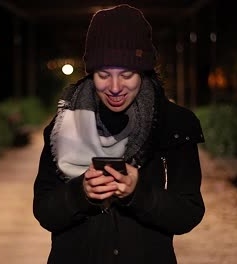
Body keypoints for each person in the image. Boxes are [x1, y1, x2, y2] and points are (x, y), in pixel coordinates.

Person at [33, 4, 205, 264]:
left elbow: (188, 214)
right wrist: (81, 193)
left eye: (126, 74)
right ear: (91, 73)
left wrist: (139, 194)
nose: (115, 87)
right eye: (104, 75)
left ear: (143, 71)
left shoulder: (176, 125)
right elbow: (45, 212)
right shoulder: (64, 125)